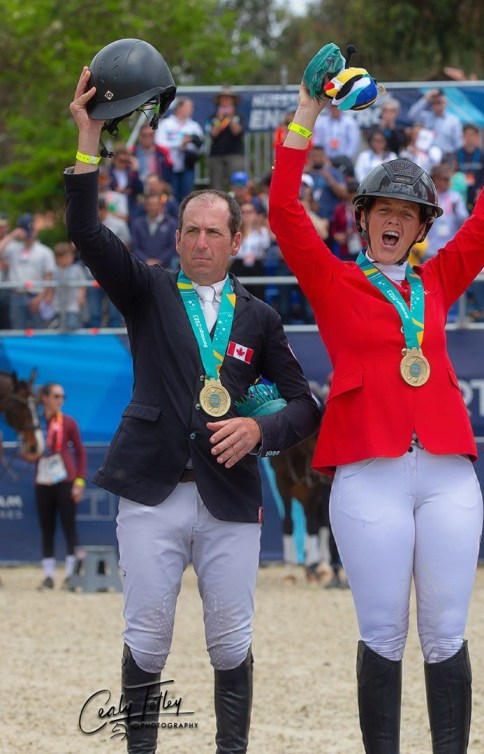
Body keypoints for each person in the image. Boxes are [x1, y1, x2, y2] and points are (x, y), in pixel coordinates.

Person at [67, 63, 321, 754]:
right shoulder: (146, 292)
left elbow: (304, 408)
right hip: (152, 489)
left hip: (230, 496)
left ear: (237, 242)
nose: (201, 241)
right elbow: (87, 233)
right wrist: (90, 139)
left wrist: (259, 429)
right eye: (191, 231)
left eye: (214, 232)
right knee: (147, 636)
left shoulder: (261, 318)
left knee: (229, 639)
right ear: (177, 239)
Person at [268, 71, 484, 753]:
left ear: (418, 228)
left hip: (444, 473)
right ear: (363, 217)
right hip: (368, 472)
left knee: (446, 633)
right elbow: (283, 211)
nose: (393, 218)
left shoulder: (439, 278)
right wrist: (304, 114)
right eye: (382, 208)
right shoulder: (332, 281)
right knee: (381, 632)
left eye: (406, 213)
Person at [21, 382, 86, 590]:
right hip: (43, 481)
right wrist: (29, 453)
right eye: (57, 396)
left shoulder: (68, 422)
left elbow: (80, 452)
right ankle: (48, 576)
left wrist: (79, 481)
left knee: (69, 527)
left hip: (65, 481)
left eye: (62, 397)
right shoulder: (35, 423)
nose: (60, 400)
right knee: (47, 528)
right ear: (46, 399)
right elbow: (27, 453)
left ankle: (70, 575)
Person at [154, 96, 204, 200]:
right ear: (179, 108)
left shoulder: (194, 126)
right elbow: (159, 143)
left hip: (187, 166)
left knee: (186, 196)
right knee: (170, 195)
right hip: (169, 166)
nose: (192, 110)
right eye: (189, 107)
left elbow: (202, 147)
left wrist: (191, 143)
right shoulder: (165, 124)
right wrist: (179, 144)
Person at [206, 86, 246, 191]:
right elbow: (213, 133)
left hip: (234, 154)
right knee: (216, 185)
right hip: (216, 155)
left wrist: (230, 118)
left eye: (228, 99)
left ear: (233, 101)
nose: (225, 101)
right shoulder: (213, 116)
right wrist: (220, 119)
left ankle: (236, 206)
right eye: (223, 98)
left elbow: (237, 132)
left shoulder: (238, 116)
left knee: (237, 184)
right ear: (219, 101)